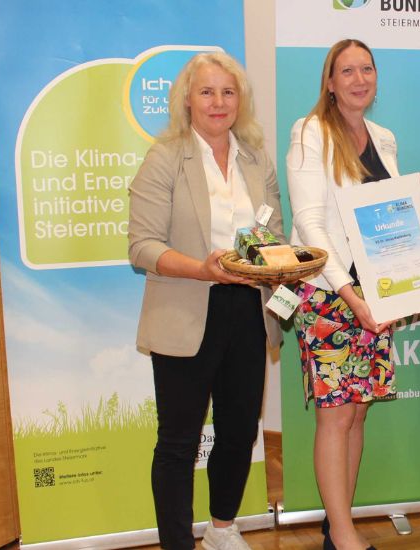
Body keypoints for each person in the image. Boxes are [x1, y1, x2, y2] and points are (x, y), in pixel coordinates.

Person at [128, 52, 283, 550]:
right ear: (187, 100)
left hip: (248, 311)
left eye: (228, 92)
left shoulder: (256, 158)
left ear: (241, 99)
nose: (218, 103)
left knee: (239, 432)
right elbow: (142, 246)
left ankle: (221, 528)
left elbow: (274, 234)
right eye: (207, 92)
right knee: (178, 443)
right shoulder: (166, 156)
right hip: (187, 309)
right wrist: (202, 268)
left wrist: (280, 264)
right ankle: (177, 542)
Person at [287, 38, 420, 550]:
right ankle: (344, 535)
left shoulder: (384, 137)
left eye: (366, 69)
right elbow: (310, 225)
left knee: (359, 409)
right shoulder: (309, 133)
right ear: (329, 82)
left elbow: (376, 211)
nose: (358, 79)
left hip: (378, 290)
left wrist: (410, 194)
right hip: (332, 293)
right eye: (346, 71)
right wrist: (352, 299)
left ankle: (337, 523)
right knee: (336, 412)